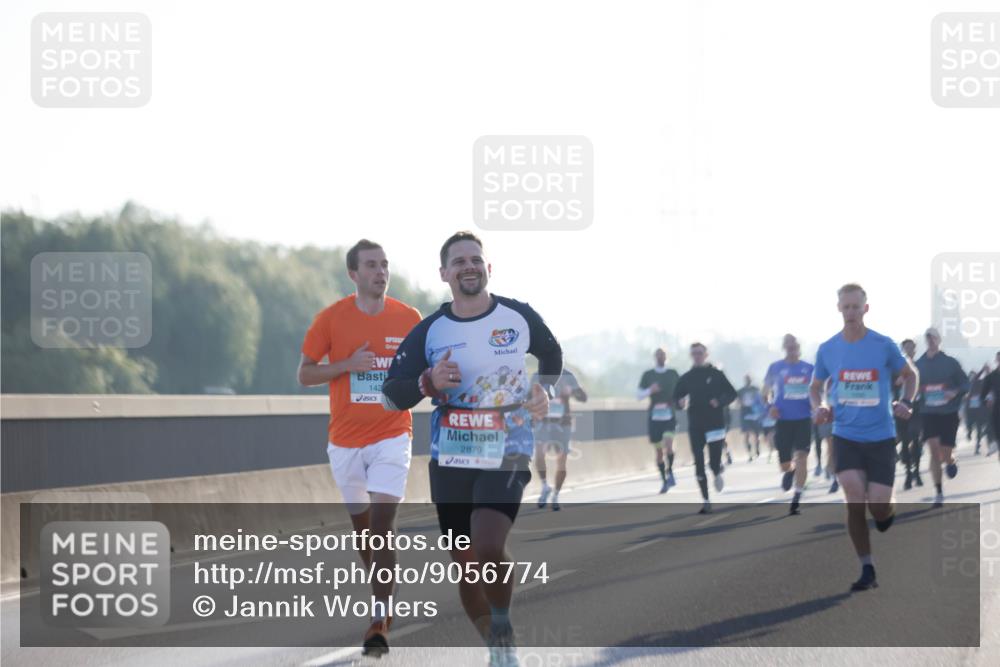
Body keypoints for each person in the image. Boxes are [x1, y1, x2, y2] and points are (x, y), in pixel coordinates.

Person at [382, 231, 560, 667]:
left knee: (487, 542)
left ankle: (502, 621)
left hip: (508, 443)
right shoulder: (430, 331)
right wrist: (426, 382)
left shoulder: (518, 316)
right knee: (466, 563)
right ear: (444, 273)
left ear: (488, 268)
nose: (469, 266)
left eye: (476, 259)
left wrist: (545, 390)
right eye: (459, 261)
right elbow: (390, 394)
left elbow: (552, 355)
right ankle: (497, 644)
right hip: (453, 453)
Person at [297, 239, 422, 656]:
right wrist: (347, 365)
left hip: (392, 434)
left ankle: (378, 621)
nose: (380, 272)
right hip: (345, 442)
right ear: (353, 274)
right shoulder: (331, 319)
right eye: (371, 265)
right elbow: (305, 374)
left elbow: (423, 368)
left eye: (384, 264)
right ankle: (385, 588)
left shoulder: (409, 318)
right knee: (365, 533)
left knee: (383, 527)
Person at [810, 283, 917, 592]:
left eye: (856, 307)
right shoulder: (828, 348)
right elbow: (815, 387)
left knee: (878, 507)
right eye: (846, 307)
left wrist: (906, 402)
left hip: (881, 435)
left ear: (865, 309)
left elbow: (910, 375)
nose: (851, 312)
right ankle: (867, 567)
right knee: (854, 495)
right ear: (839, 309)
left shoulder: (883, 344)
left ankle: (887, 509)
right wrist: (820, 407)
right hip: (845, 434)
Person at [674, 342, 738, 514]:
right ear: (691, 355)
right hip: (696, 423)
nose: (697, 356)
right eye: (694, 353)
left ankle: (716, 471)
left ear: (706, 354)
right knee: (699, 460)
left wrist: (720, 401)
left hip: (715, 423)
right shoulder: (687, 377)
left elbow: (732, 393)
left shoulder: (716, 374)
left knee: (714, 462)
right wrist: (680, 402)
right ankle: (706, 500)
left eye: (700, 353)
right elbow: (676, 397)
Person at [915, 327, 969, 507]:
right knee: (933, 451)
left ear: (939, 340)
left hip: (948, 413)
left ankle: (951, 461)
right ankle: (938, 491)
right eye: (928, 338)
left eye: (934, 338)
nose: (931, 340)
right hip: (928, 412)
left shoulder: (950, 362)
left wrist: (955, 391)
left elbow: (965, 384)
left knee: (945, 454)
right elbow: (911, 384)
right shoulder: (918, 364)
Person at [764, 334, 815, 515]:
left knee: (802, 457)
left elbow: (817, 390)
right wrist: (770, 407)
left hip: (804, 419)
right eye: (788, 344)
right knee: (785, 464)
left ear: (798, 347)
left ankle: (796, 499)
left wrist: (818, 407)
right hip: (783, 420)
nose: (791, 347)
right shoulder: (775, 367)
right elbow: (764, 393)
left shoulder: (809, 368)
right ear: (784, 347)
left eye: (794, 344)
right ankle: (790, 471)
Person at [533, 365, 587, 511]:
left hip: (563, 424)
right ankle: (545, 486)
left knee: (561, 461)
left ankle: (556, 496)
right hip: (543, 422)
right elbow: (527, 396)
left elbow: (583, 398)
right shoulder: (537, 375)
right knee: (539, 454)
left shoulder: (569, 375)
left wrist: (572, 391)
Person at [637, 349, 681, 493]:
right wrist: (650, 390)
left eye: (663, 355)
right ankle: (664, 480)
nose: (660, 357)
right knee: (659, 452)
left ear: (667, 357)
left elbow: (682, 390)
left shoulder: (673, 373)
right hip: (654, 416)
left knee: (669, 445)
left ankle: (670, 471)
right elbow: (638, 395)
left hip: (669, 414)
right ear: (655, 357)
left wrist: (682, 400)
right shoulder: (648, 375)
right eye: (658, 355)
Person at [894, 339, 924, 490]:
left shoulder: (920, 366)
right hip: (900, 409)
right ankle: (908, 473)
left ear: (915, 350)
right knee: (905, 441)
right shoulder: (896, 368)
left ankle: (916, 471)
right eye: (906, 348)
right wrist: (897, 382)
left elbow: (926, 385)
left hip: (917, 408)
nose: (909, 351)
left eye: (911, 348)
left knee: (916, 439)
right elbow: (890, 386)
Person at [737, 376, 763, 462]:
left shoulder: (756, 389)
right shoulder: (740, 391)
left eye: (749, 379)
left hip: (754, 412)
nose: (748, 381)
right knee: (746, 434)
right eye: (746, 379)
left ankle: (757, 448)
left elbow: (760, 400)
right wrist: (741, 403)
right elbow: (738, 402)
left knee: (757, 434)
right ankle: (750, 454)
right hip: (745, 413)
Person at [980, 352, 1000, 461]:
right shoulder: (991, 377)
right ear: (996, 361)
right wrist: (987, 401)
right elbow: (982, 395)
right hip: (997, 412)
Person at [967, 367, 988, 453]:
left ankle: (977, 446)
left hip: (980, 410)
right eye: (970, 376)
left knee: (980, 428)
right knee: (969, 424)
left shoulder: (980, 382)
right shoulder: (968, 383)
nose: (972, 377)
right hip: (970, 410)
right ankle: (969, 432)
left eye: (973, 375)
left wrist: (985, 370)